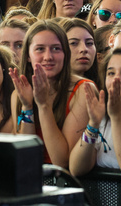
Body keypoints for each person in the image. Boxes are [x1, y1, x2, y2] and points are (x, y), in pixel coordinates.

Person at [10, 20, 90, 168]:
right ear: (28, 55)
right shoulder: (18, 94)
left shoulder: (83, 90)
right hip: (33, 180)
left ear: (65, 53)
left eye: (56, 49)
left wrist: (44, 105)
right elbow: (27, 158)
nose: (48, 57)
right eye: (40, 49)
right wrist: (27, 106)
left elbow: (62, 162)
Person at [70, 46, 121, 178]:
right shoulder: (103, 119)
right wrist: (93, 124)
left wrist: (116, 117)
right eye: (111, 73)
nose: (117, 79)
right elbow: (76, 168)